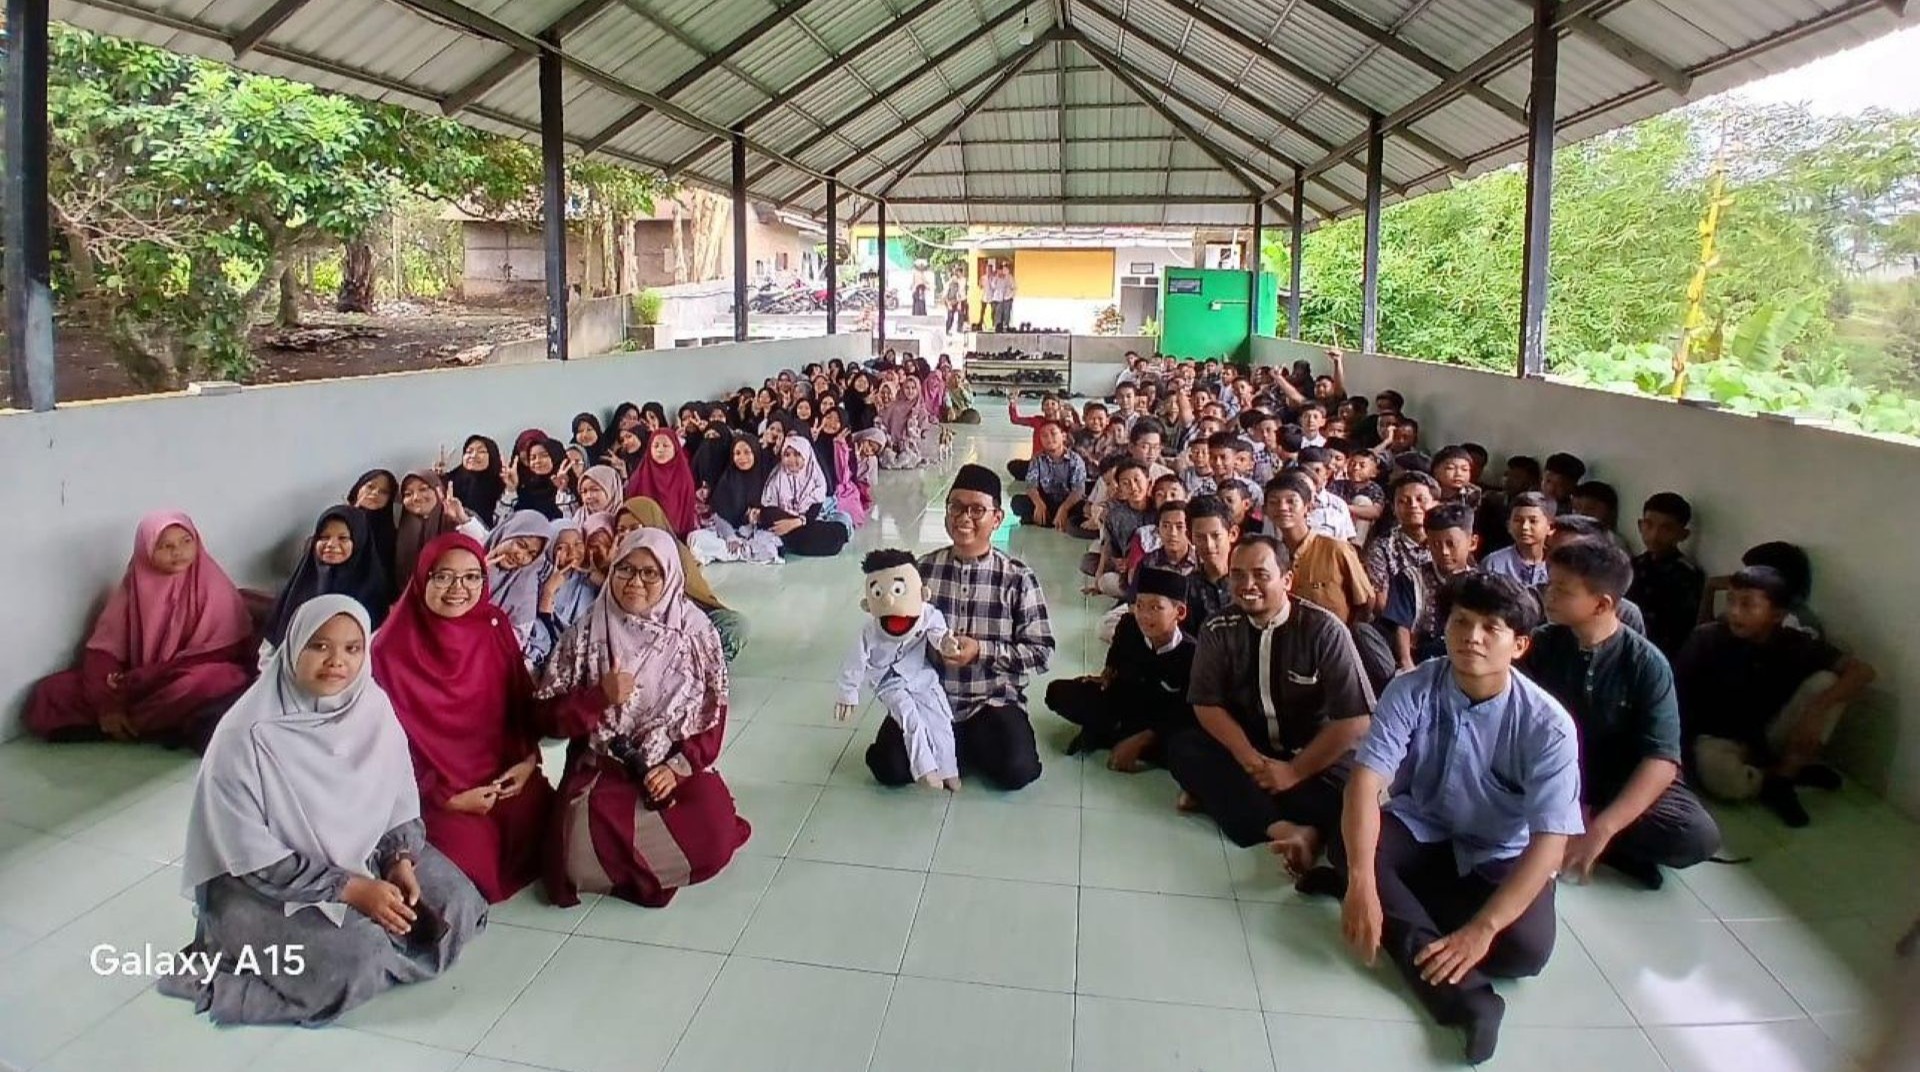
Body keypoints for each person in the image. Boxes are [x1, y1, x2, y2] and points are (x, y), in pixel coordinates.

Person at [164, 595, 486, 1025]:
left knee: (460, 902)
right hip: (262, 886)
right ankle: (352, 956)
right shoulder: (245, 735)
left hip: (367, 854)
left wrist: (400, 860)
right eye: (319, 646)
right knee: (352, 959)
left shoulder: (371, 708)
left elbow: (398, 797)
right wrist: (351, 890)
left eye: (353, 648)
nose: (337, 661)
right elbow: (250, 856)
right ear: (294, 647)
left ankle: (377, 952)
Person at [1337, 573, 1582, 1064]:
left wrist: (1484, 929)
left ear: (1520, 644)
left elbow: (1550, 843)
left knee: (1524, 953)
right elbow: (1365, 783)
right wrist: (1362, 883)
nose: (1472, 637)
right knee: (1352, 853)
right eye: (1461, 622)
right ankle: (1469, 1001)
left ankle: (1409, 910)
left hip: (1499, 849)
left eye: (1491, 628)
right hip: (1423, 823)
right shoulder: (1411, 687)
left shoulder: (1548, 726)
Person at [534, 529, 752, 908]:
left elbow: (711, 715)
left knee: (713, 836)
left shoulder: (695, 633)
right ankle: (640, 858)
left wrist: (676, 769)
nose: (635, 582)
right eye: (626, 570)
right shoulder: (587, 632)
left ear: (670, 577)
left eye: (650, 573)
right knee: (576, 861)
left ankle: (634, 856)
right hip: (602, 767)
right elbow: (547, 717)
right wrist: (598, 697)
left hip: (669, 768)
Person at [1522, 538, 1721, 889]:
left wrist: (1603, 826)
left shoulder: (1646, 663)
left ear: (1602, 604)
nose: (1549, 595)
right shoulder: (1544, 643)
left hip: (1617, 782)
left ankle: (1598, 842)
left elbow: (1661, 760)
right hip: (1554, 771)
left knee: (1696, 836)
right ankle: (1585, 836)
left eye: (1563, 590)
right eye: (1549, 585)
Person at [1165, 536, 1375, 868]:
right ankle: (1289, 829)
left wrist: (1294, 771)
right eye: (1237, 575)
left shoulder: (1324, 630)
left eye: (1261, 575)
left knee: (1354, 798)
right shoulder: (1218, 628)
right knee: (1184, 749)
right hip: (1254, 750)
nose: (1247, 585)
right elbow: (1206, 704)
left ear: (1287, 580)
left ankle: (1232, 801)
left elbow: (1355, 720)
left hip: (1314, 758)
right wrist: (1247, 757)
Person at [372, 534, 553, 903]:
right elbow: (381, 749)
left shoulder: (493, 625)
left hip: (502, 776)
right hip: (434, 791)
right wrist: (444, 797)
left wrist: (528, 759)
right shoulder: (388, 651)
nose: (459, 588)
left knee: (553, 841)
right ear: (423, 578)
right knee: (473, 867)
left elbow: (520, 703)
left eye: (472, 577)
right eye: (444, 577)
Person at [864, 465, 1054, 790]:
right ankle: (953, 748)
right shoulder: (918, 572)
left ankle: (954, 748)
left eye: (977, 509)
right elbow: (890, 638)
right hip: (927, 699)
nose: (964, 517)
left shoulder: (1018, 578)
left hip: (990, 701)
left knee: (1018, 771)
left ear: (996, 518)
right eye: (956, 506)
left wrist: (981, 651)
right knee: (888, 768)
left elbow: (1042, 653)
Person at [25, 511, 254, 748]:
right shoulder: (132, 587)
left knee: (214, 681)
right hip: (137, 683)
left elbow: (225, 650)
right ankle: (146, 726)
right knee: (50, 691)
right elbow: (102, 651)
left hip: (178, 678)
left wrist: (150, 675)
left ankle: (125, 727)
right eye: (165, 546)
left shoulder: (213, 585)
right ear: (146, 550)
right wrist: (108, 705)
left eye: (187, 541)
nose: (178, 551)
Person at [1676, 566, 1878, 827]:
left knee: (1827, 683)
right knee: (1723, 779)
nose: (1735, 612)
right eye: (1732, 601)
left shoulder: (1795, 642)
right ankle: (1782, 776)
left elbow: (1863, 672)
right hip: (1719, 737)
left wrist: (1817, 709)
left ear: (1777, 615)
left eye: (1748, 605)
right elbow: (1676, 699)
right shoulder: (1706, 638)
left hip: (1767, 734)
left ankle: (1782, 777)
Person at [1045, 568, 1197, 771]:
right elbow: (1115, 655)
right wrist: (1106, 674)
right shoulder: (1128, 626)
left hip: (1159, 722)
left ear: (1179, 612)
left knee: (1186, 744)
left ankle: (1112, 736)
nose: (1144, 615)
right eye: (1140, 605)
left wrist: (1143, 739)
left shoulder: (1192, 654)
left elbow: (1186, 711)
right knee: (1058, 692)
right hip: (1123, 703)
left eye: (1155, 608)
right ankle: (1112, 734)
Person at [620, 496, 751, 661]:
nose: (627, 535)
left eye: (634, 528)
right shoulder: (618, 563)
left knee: (735, 625)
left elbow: (697, 600)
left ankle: (702, 668)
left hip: (684, 623)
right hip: (646, 633)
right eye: (621, 530)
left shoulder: (677, 552)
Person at [261, 506, 391, 661]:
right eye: (324, 537)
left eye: (343, 538)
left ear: (359, 541)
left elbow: (374, 650)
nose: (331, 544)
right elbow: (271, 644)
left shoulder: (372, 592)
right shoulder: (300, 583)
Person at [1262, 472, 1373, 626]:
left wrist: (1346, 639)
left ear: (1308, 507)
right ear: (1265, 511)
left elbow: (1366, 602)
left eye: (1291, 501)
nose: (1282, 508)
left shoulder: (1336, 550)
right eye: (1274, 502)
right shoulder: (1269, 555)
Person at [1629, 492, 1706, 658]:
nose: (1654, 535)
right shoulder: (1631, 565)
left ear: (1683, 535)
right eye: (1649, 525)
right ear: (1640, 526)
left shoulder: (1687, 575)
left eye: (1666, 529)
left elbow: (1678, 631)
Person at [761, 433, 852, 557]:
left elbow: (813, 512)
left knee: (834, 534)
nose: (791, 460)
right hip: (785, 522)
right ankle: (791, 541)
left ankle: (787, 542)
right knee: (770, 521)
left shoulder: (816, 479)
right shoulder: (777, 476)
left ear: (806, 455)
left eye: (797, 454)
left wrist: (795, 523)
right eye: (787, 455)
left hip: (805, 522)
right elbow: (768, 509)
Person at [1010, 419, 1087, 529]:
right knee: (1017, 502)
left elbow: (1078, 490)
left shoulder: (1075, 459)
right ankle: (1050, 518)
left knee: (1083, 508)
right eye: (1044, 436)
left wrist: (1064, 509)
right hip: (1046, 501)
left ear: (1063, 436)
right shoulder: (1037, 458)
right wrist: (1039, 503)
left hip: (1068, 502)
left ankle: (1045, 519)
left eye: (1053, 433)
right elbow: (1031, 486)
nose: (1049, 438)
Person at [622, 429, 699, 538]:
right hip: (644, 536)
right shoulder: (638, 477)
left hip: (677, 539)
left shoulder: (684, 477)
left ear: (675, 448)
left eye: (665, 445)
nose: (660, 450)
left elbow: (687, 514)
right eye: (656, 446)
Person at [1181, 495, 1237, 632]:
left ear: (1232, 534)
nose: (1209, 545)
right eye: (1200, 537)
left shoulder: (1248, 581)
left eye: (1216, 536)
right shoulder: (1186, 588)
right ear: (1190, 537)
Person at [1481, 491, 1553, 586]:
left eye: (1533, 521)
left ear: (1549, 527)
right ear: (1508, 526)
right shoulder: (1493, 564)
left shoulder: (1559, 566)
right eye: (1518, 520)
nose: (1525, 527)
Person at [447, 435, 507, 523]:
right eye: (469, 451)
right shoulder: (450, 483)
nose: (474, 455)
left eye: (481, 451)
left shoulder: (502, 484)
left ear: (492, 456)